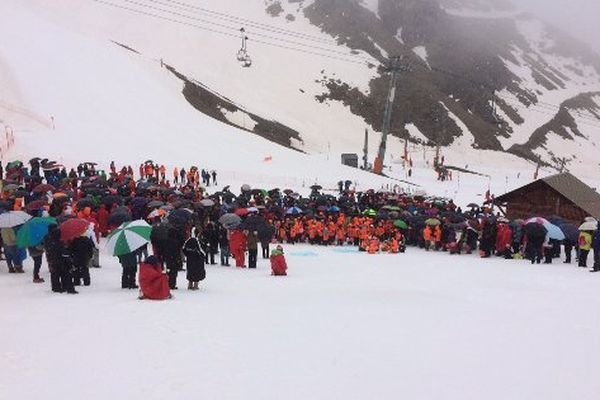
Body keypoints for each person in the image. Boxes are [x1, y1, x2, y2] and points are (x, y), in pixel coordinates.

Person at [44, 224, 77, 294]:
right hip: (61, 257)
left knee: (54, 273)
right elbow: (62, 248)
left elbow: (46, 246)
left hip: (52, 257)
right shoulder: (59, 236)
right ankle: (67, 287)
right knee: (65, 273)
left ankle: (56, 287)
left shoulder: (47, 237)